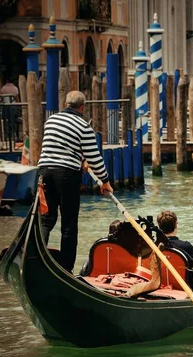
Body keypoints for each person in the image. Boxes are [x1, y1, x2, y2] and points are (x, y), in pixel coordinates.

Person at [38, 90, 113, 273]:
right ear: (82, 107)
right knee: (69, 224)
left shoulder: (51, 121)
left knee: (46, 219)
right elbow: (94, 158)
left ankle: (37, 256)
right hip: (66, 175)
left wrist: (79, 159)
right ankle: (66, 269)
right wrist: (105, 181)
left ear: (66, 104)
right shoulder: (83, 126)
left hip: (44, 172)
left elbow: (59, 147)